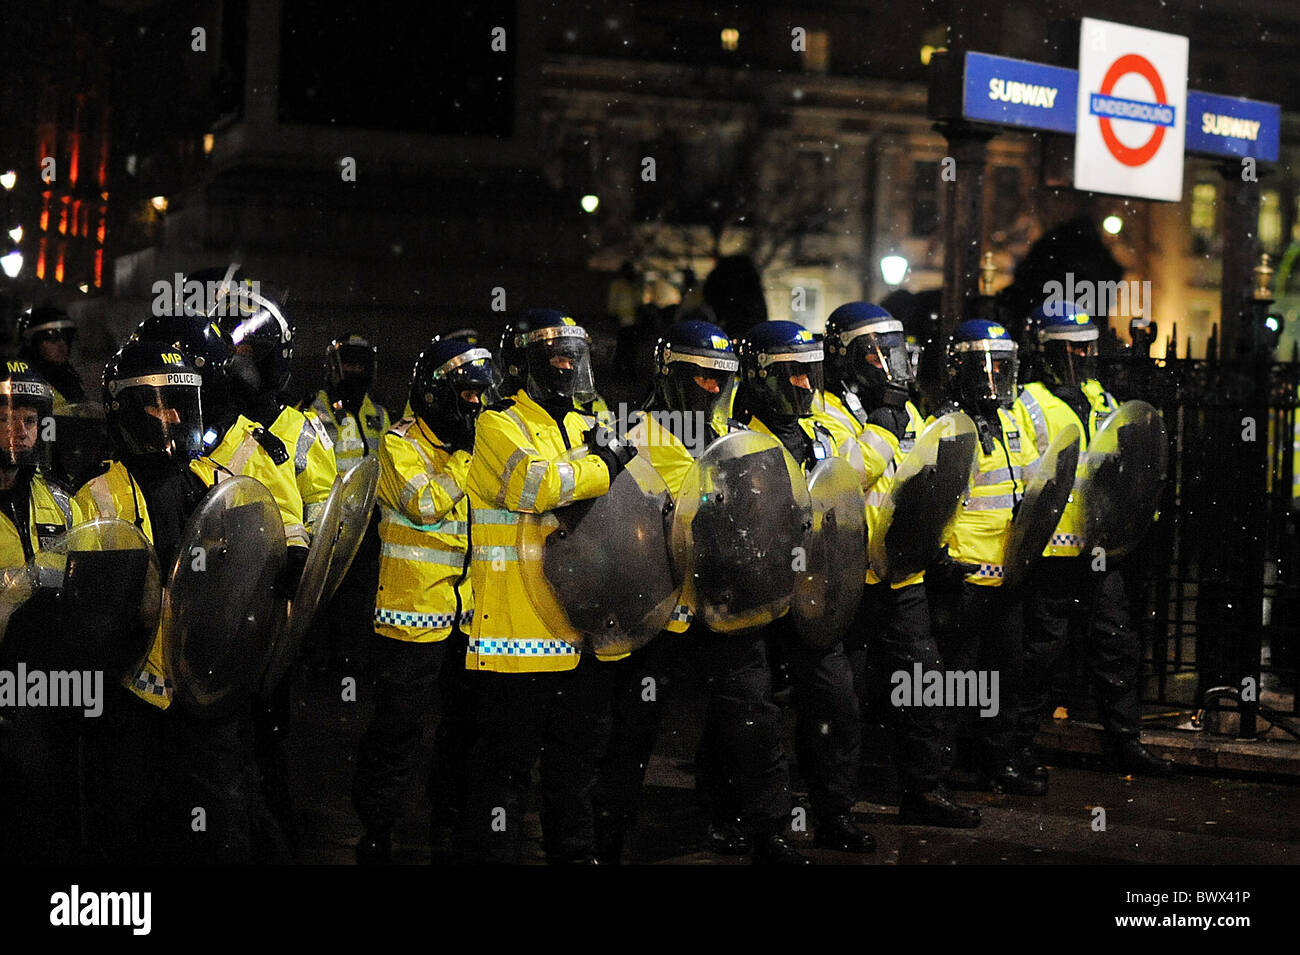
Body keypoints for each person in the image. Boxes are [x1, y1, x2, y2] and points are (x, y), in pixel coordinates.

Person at [591, 318, 810, 864]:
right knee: (632, 731)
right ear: (670, 374)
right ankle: (607, 838)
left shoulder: (734, 440)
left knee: (753, 723)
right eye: (702, 378)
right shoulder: (628, 437)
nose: (713, 390)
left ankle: (768, 833)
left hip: (725, 610)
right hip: (657, 616)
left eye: (722, 379)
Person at [74, 339, 287, 862]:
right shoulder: (96, 497)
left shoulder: (222, 487)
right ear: (124, 409)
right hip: (130, 700)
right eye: (155, 404)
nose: (169, 417)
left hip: (206, 693)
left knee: (219, 828)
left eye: (178, 403)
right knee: (129, 831)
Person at [457, 308, 634, 864]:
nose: (564, 366)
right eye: (552, 357)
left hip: (579, 629)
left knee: (576, 767)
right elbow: (534, 484)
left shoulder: (590, 422)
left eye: (571, 357)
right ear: (523, 366)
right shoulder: (497, 423)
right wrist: (604, 464)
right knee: (504, 774)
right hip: (516, 633)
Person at [822, 302, 979, 828]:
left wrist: (936, 548)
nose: (887, 364)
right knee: (841, 705)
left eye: (891, 351)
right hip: (848, 579)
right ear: (844, 357)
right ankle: (835, 810)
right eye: (873, 353)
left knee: (924, 685)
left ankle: (925, 791)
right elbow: (840, 482)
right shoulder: (823, 410)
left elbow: (929, 485)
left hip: (902, 575)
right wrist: (882, 428)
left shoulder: (905, 410)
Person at [353, 336, 501, 863]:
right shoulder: (398, 444)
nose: (477, 407)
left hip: (466, 617)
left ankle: (449, 814)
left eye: (482, 396)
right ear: (438, 395)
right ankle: (376, 828)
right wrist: (469, 457)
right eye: (467, 396)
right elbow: (425, 502)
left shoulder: (471, 447)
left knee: (463, 729)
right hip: (409, 617)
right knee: (399, 734)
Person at [731, 319, 875, 854]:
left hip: (813, 598)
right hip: (755, 598)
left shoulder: (824, 432)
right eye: (790, 374)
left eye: (809, 373)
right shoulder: (735, 439)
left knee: (836, 705)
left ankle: (834, 814)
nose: (803, 386)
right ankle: (762, 826)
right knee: (753, 717)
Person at [1014, 300, 1173, 778]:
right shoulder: (1027, 404)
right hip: (1053, 549)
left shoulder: (1100, 397)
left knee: (1115, 643)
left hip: (1099, 546)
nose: (1082, 357)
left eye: (1087, 347)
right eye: (1072, 348)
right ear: (1047, 350)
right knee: (1043, 650)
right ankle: (1019, 747)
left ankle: (1125, 740)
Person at [928, 319, 1042, 796]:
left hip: (1007, 571)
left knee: (1004, 675)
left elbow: (1037, 483)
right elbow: (929, 502)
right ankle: (940, 770)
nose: (995, 378)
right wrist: (940, 561)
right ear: (960, 371)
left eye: (1003, 366)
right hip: (966, 574)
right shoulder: (950, 426)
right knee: (957, 680)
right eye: (984, 367)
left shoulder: (1013, 418)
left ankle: (997, 762)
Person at [17, 306, 85, 408]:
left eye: (66, 337)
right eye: (52, 338)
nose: (62, 346)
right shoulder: (21, 380)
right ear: (32, 342)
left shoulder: (68, 376)